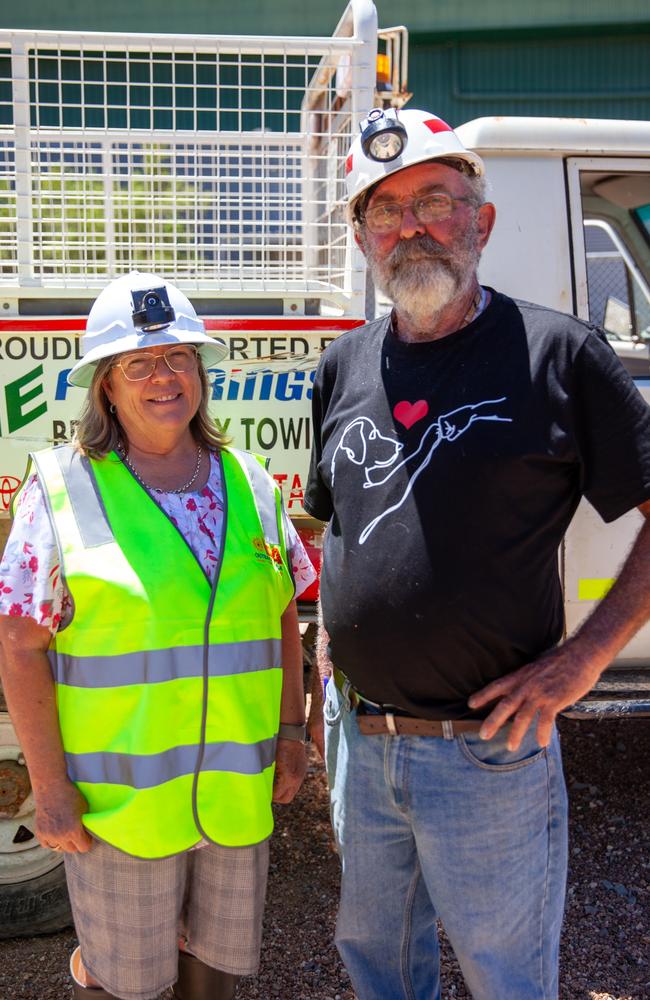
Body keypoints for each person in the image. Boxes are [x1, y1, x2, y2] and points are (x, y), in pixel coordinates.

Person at [304, 109, 650, 1000]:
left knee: (505, 977)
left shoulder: (558, 355)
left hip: (488, 751)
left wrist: (583, 659)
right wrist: (326, 653)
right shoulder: (342, 368)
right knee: (380, 967)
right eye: (384, 211)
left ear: (482, 221)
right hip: (362, 741)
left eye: (434, 201)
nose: (411, 226)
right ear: (361, 236)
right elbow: (334, 523)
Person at [0, 271, 316, 1000]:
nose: (163, 376)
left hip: (236, 795)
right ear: (106, 386)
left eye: (178, 357)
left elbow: (280, 616)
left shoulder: (252, 482)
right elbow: (19, 644)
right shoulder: (61, 489)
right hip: (121, 808)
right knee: (129, 986)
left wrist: (293, 732)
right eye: (137, 363)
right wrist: (48, 788)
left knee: (217, 978)